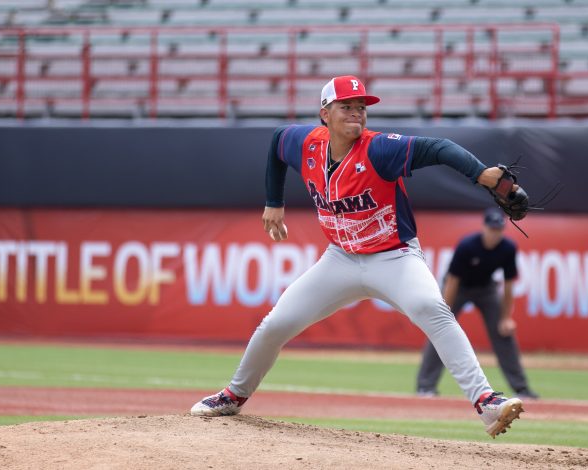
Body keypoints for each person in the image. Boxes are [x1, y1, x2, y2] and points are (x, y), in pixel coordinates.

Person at [190, 75, 524, 438]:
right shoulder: (305, 144)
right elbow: (276, 142)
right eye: (346, 106)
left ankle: (486, 402)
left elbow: (439, 148)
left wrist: (480, 173)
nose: (356, 113)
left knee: (432, 310)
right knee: (276, 324)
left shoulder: (379, 149)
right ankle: (234, 395)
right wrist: (273, 201)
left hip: (394, 257)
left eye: (361, 107)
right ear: (325, 114)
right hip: (341, 259)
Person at [416, 207, 539, 400]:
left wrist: (506, 318)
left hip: (486, 289)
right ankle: (425, 387)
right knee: (441, 331)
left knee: (503, 332)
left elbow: (508, 286)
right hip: (459, 287)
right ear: (484, 228)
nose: (494, 234)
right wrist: (445, 313)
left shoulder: (508, 248)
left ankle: (521, 389)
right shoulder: (467, 246)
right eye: (491, 229)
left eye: (498, 230)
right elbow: (452, 281)